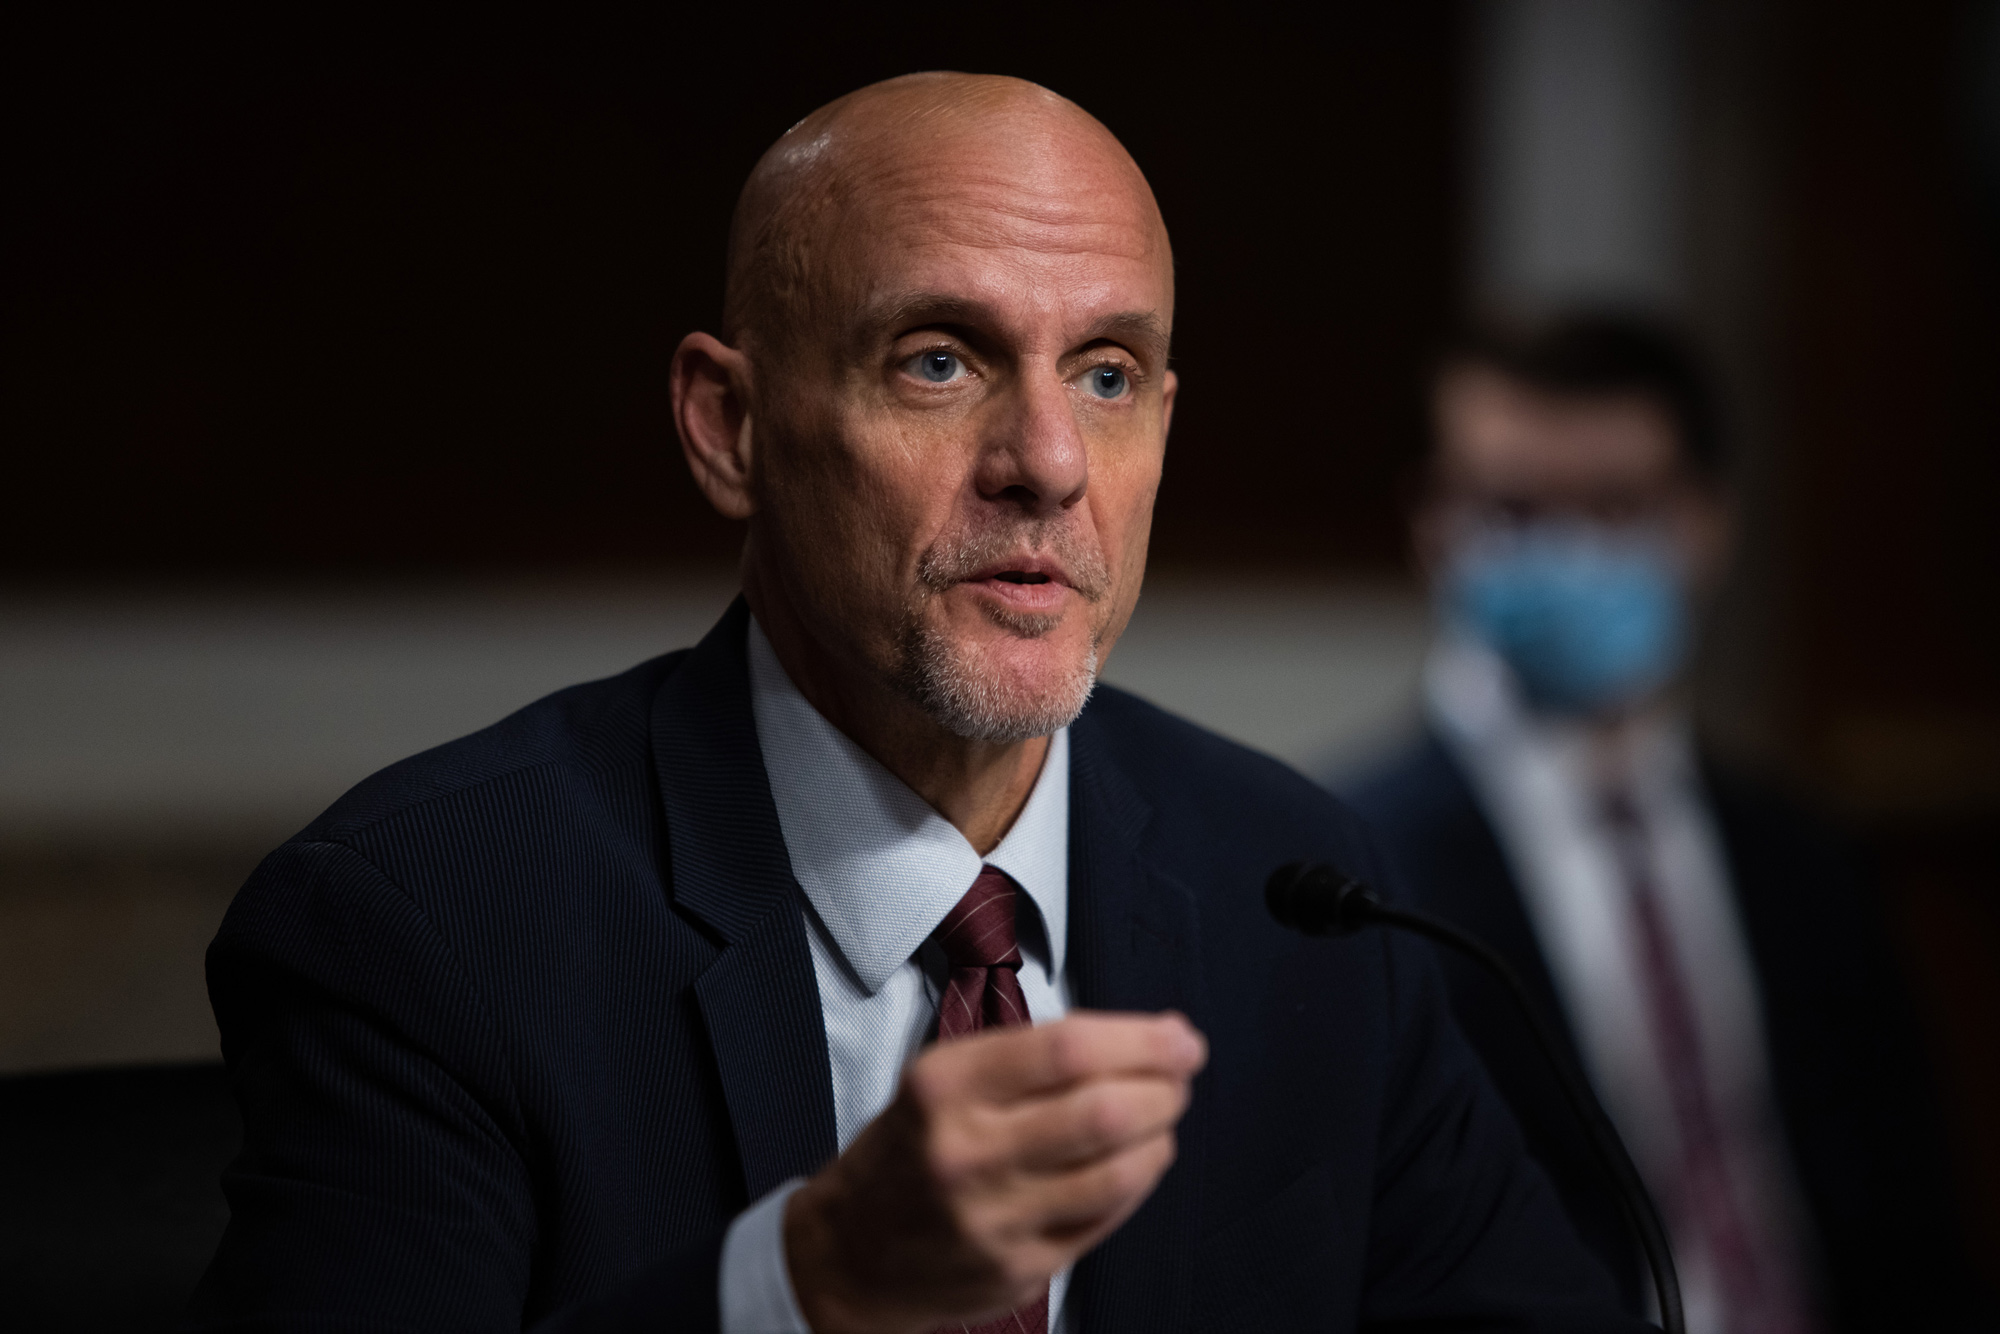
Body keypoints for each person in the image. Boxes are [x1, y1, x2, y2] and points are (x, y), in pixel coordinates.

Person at [188, 75, 1644, 1333]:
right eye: (939, 361)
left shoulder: (1299, 890)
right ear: (731, 429)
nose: (1048, 461)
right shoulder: (426, 915)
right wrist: (805, 1285)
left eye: (1108, 373)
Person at [1337, 315, 1994, 1334]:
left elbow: (1908, 1219)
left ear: (1706, 520)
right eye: (1512, 507)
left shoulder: (1804, 850)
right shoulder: (1345, 869)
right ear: (1431, 521)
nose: (1563, 551)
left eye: (1614, 507)